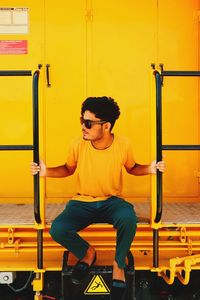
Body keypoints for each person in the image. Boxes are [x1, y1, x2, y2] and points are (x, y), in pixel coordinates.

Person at [31, 96, 165, 300]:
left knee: (128, 218)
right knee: (58, 228)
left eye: (88, 123)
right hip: (82, 202)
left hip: (112, 201)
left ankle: (118, 265)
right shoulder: (78, 143)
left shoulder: (123, 144)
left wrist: (151, 168)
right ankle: (87, 253)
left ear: (106, 126)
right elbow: (68, 169)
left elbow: (132, 168)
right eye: (82, 121)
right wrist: (44, 171)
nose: (83, 127)